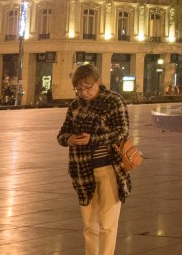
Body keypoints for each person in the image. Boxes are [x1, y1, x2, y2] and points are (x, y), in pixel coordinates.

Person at [56, 64, 132, 255]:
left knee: (107, 224)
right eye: (79, 89)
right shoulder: (76, 106)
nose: (84, 92)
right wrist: (69, 139)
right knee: (89, 226)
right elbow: (62, 134)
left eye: (88, 87)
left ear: (98, 81)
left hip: (109, 169)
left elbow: (122, 132)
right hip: (82, 171)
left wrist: (93, 139)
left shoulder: (113, 101)